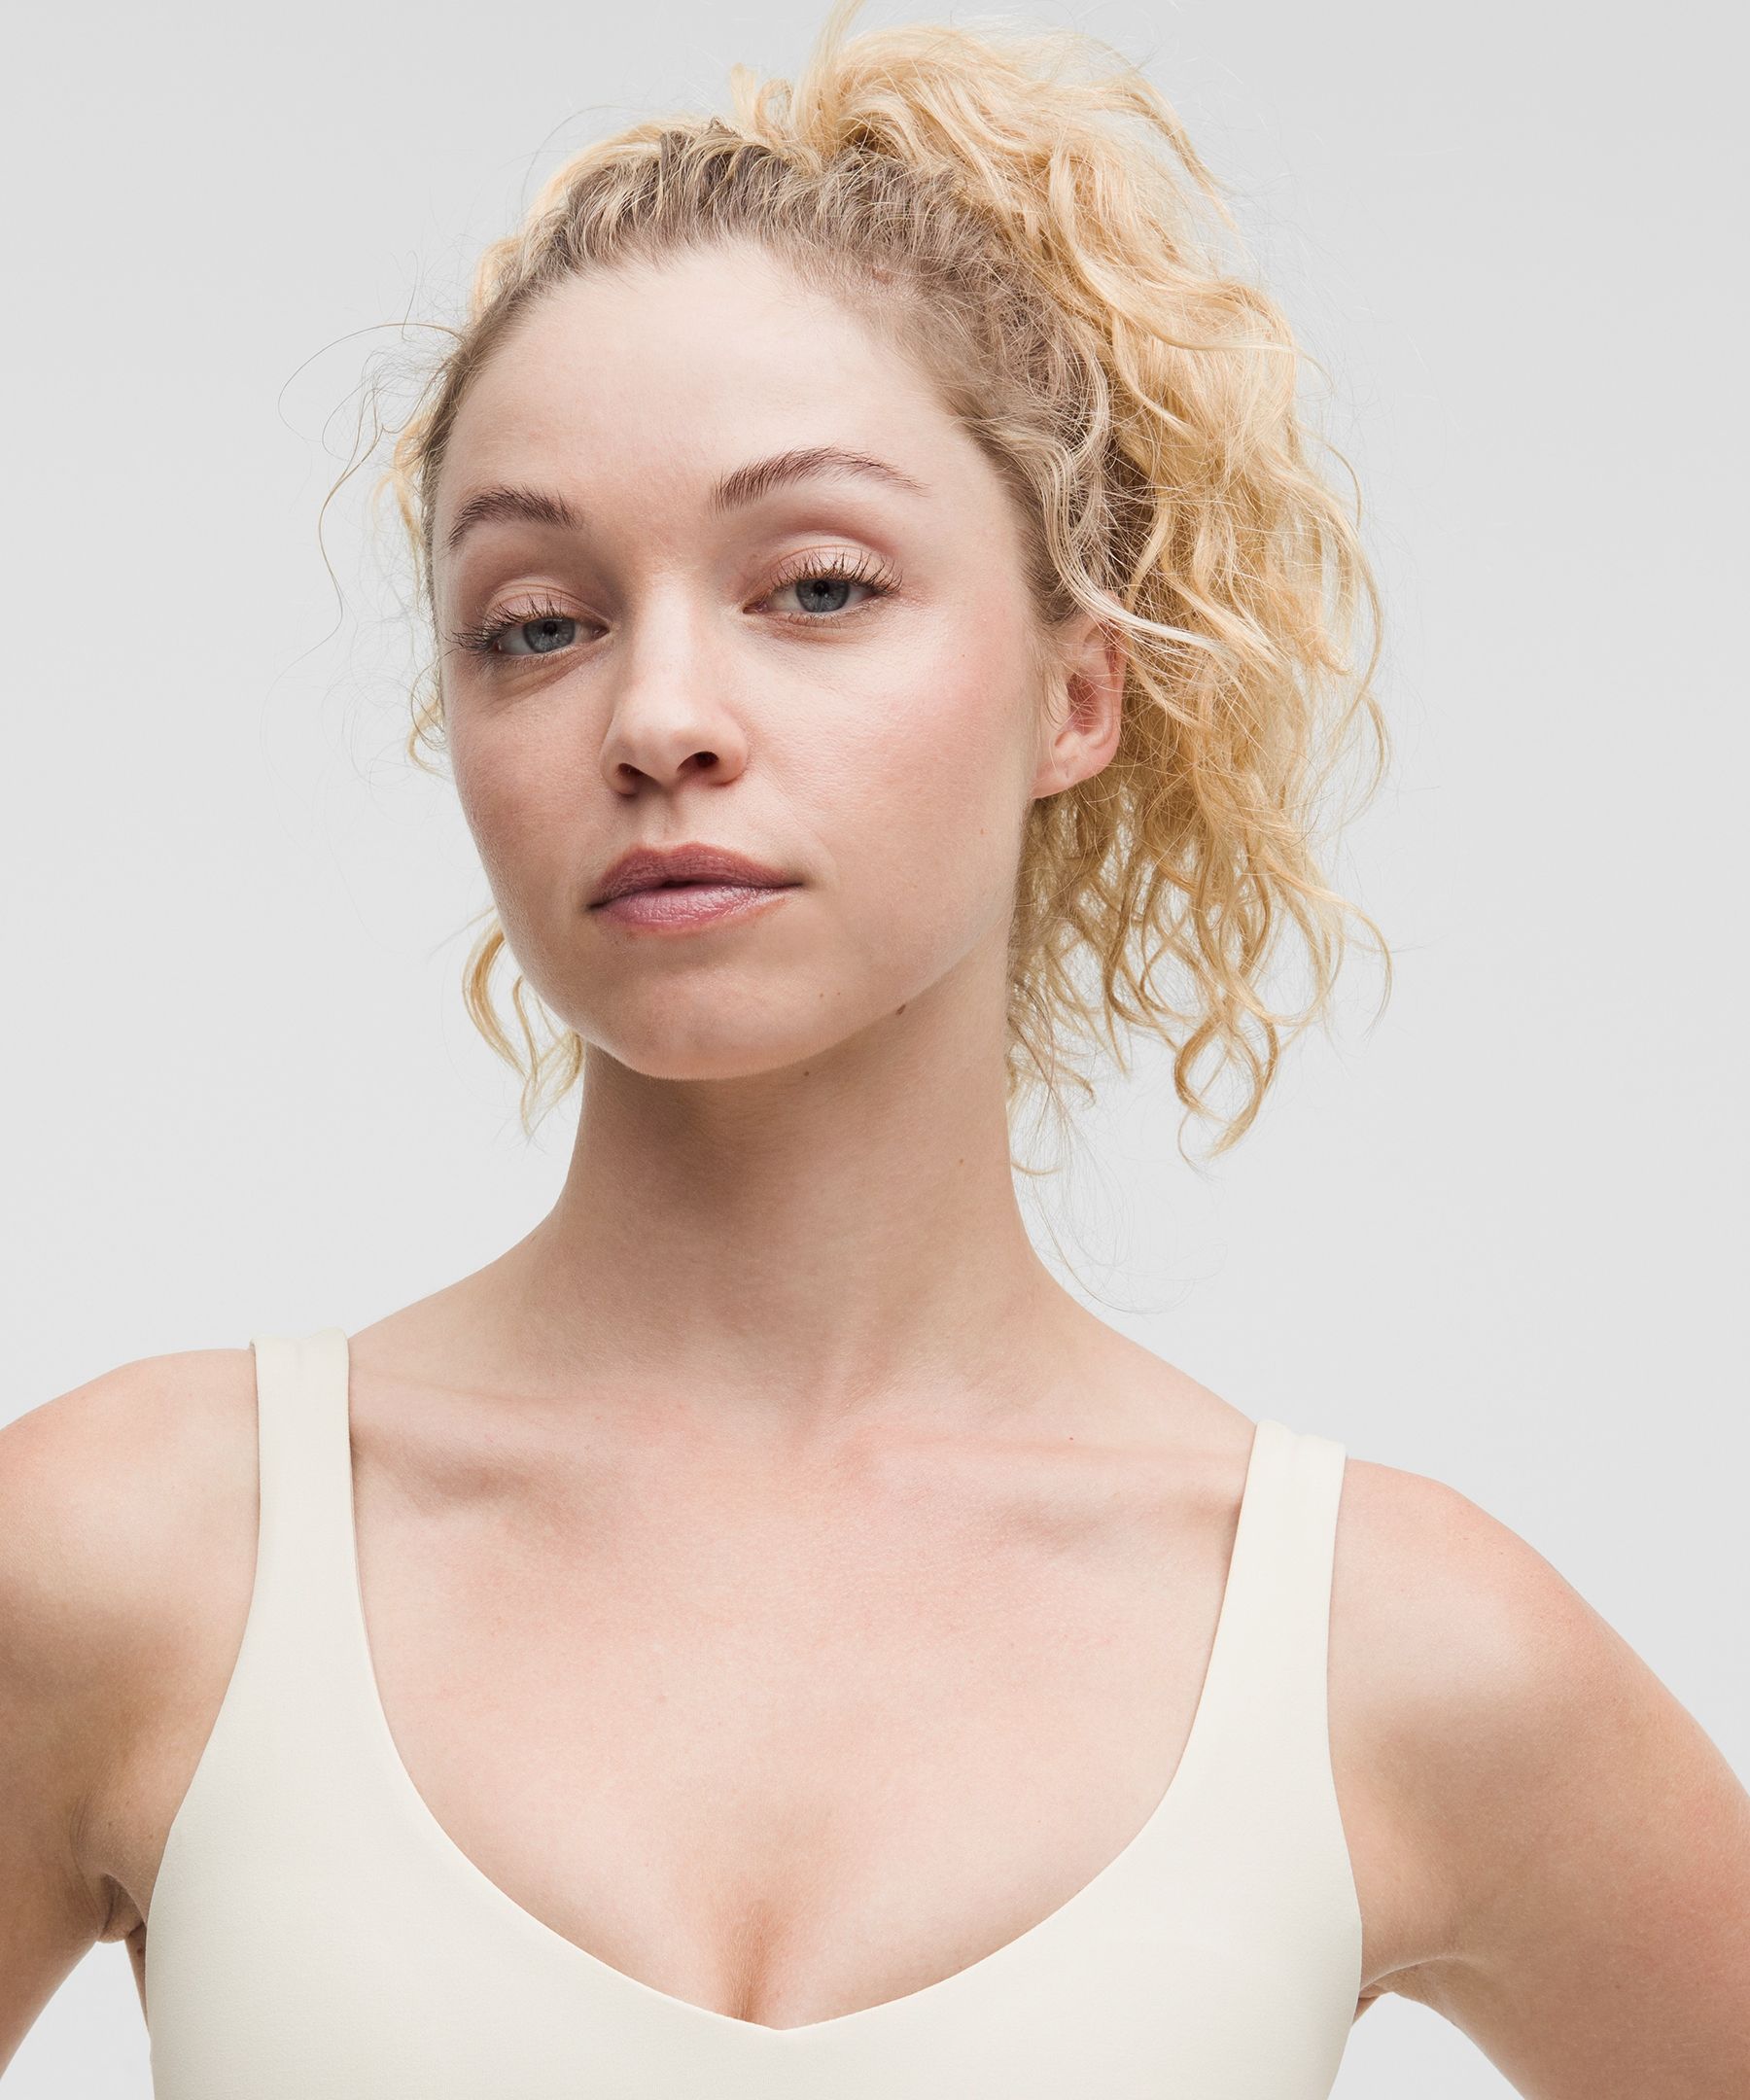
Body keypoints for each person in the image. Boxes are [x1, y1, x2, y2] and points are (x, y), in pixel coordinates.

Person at [5, 1, 1747, 2091]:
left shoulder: (1385, 1652)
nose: (660, 717)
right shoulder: (132, 1558)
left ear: (1079, 696)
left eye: (817, 588)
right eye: (537, 623)